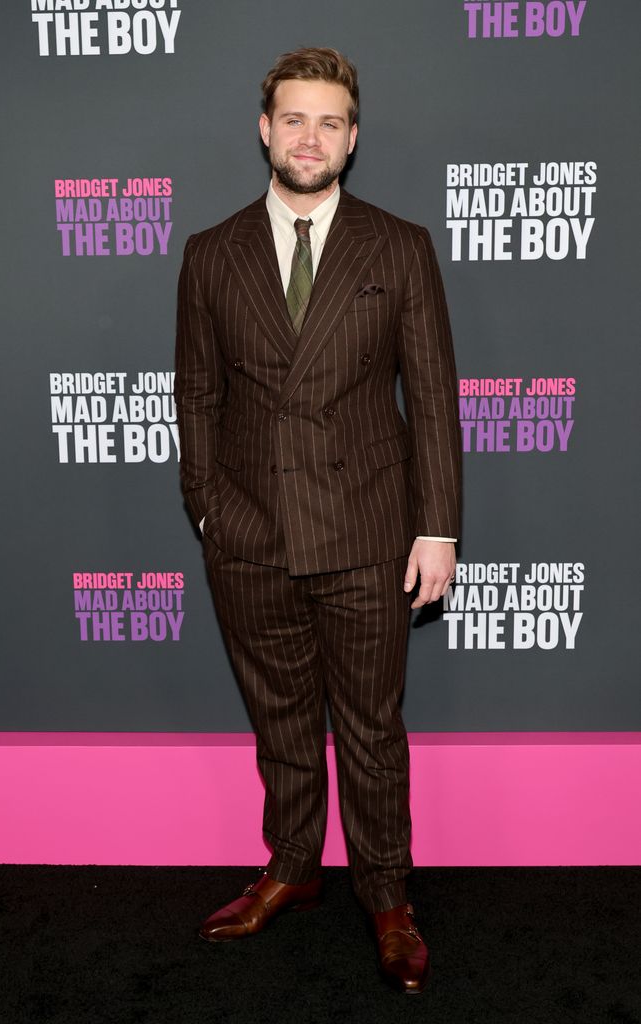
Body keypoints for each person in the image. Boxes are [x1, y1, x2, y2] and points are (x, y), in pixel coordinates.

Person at [174, 47, 461, 994]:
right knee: (282, 721)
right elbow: (199, 397)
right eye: (294, 119)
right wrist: (209, 510)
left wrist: (438, 529)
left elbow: (433, 398)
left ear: (353, 137)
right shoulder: (213, 252)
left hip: (368, 531)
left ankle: (386, 895)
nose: (311, 137)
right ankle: (292, 868)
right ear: (265, 129)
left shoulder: (400, 244)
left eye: (330, 122)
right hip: (251, 534)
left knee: (372, 728)